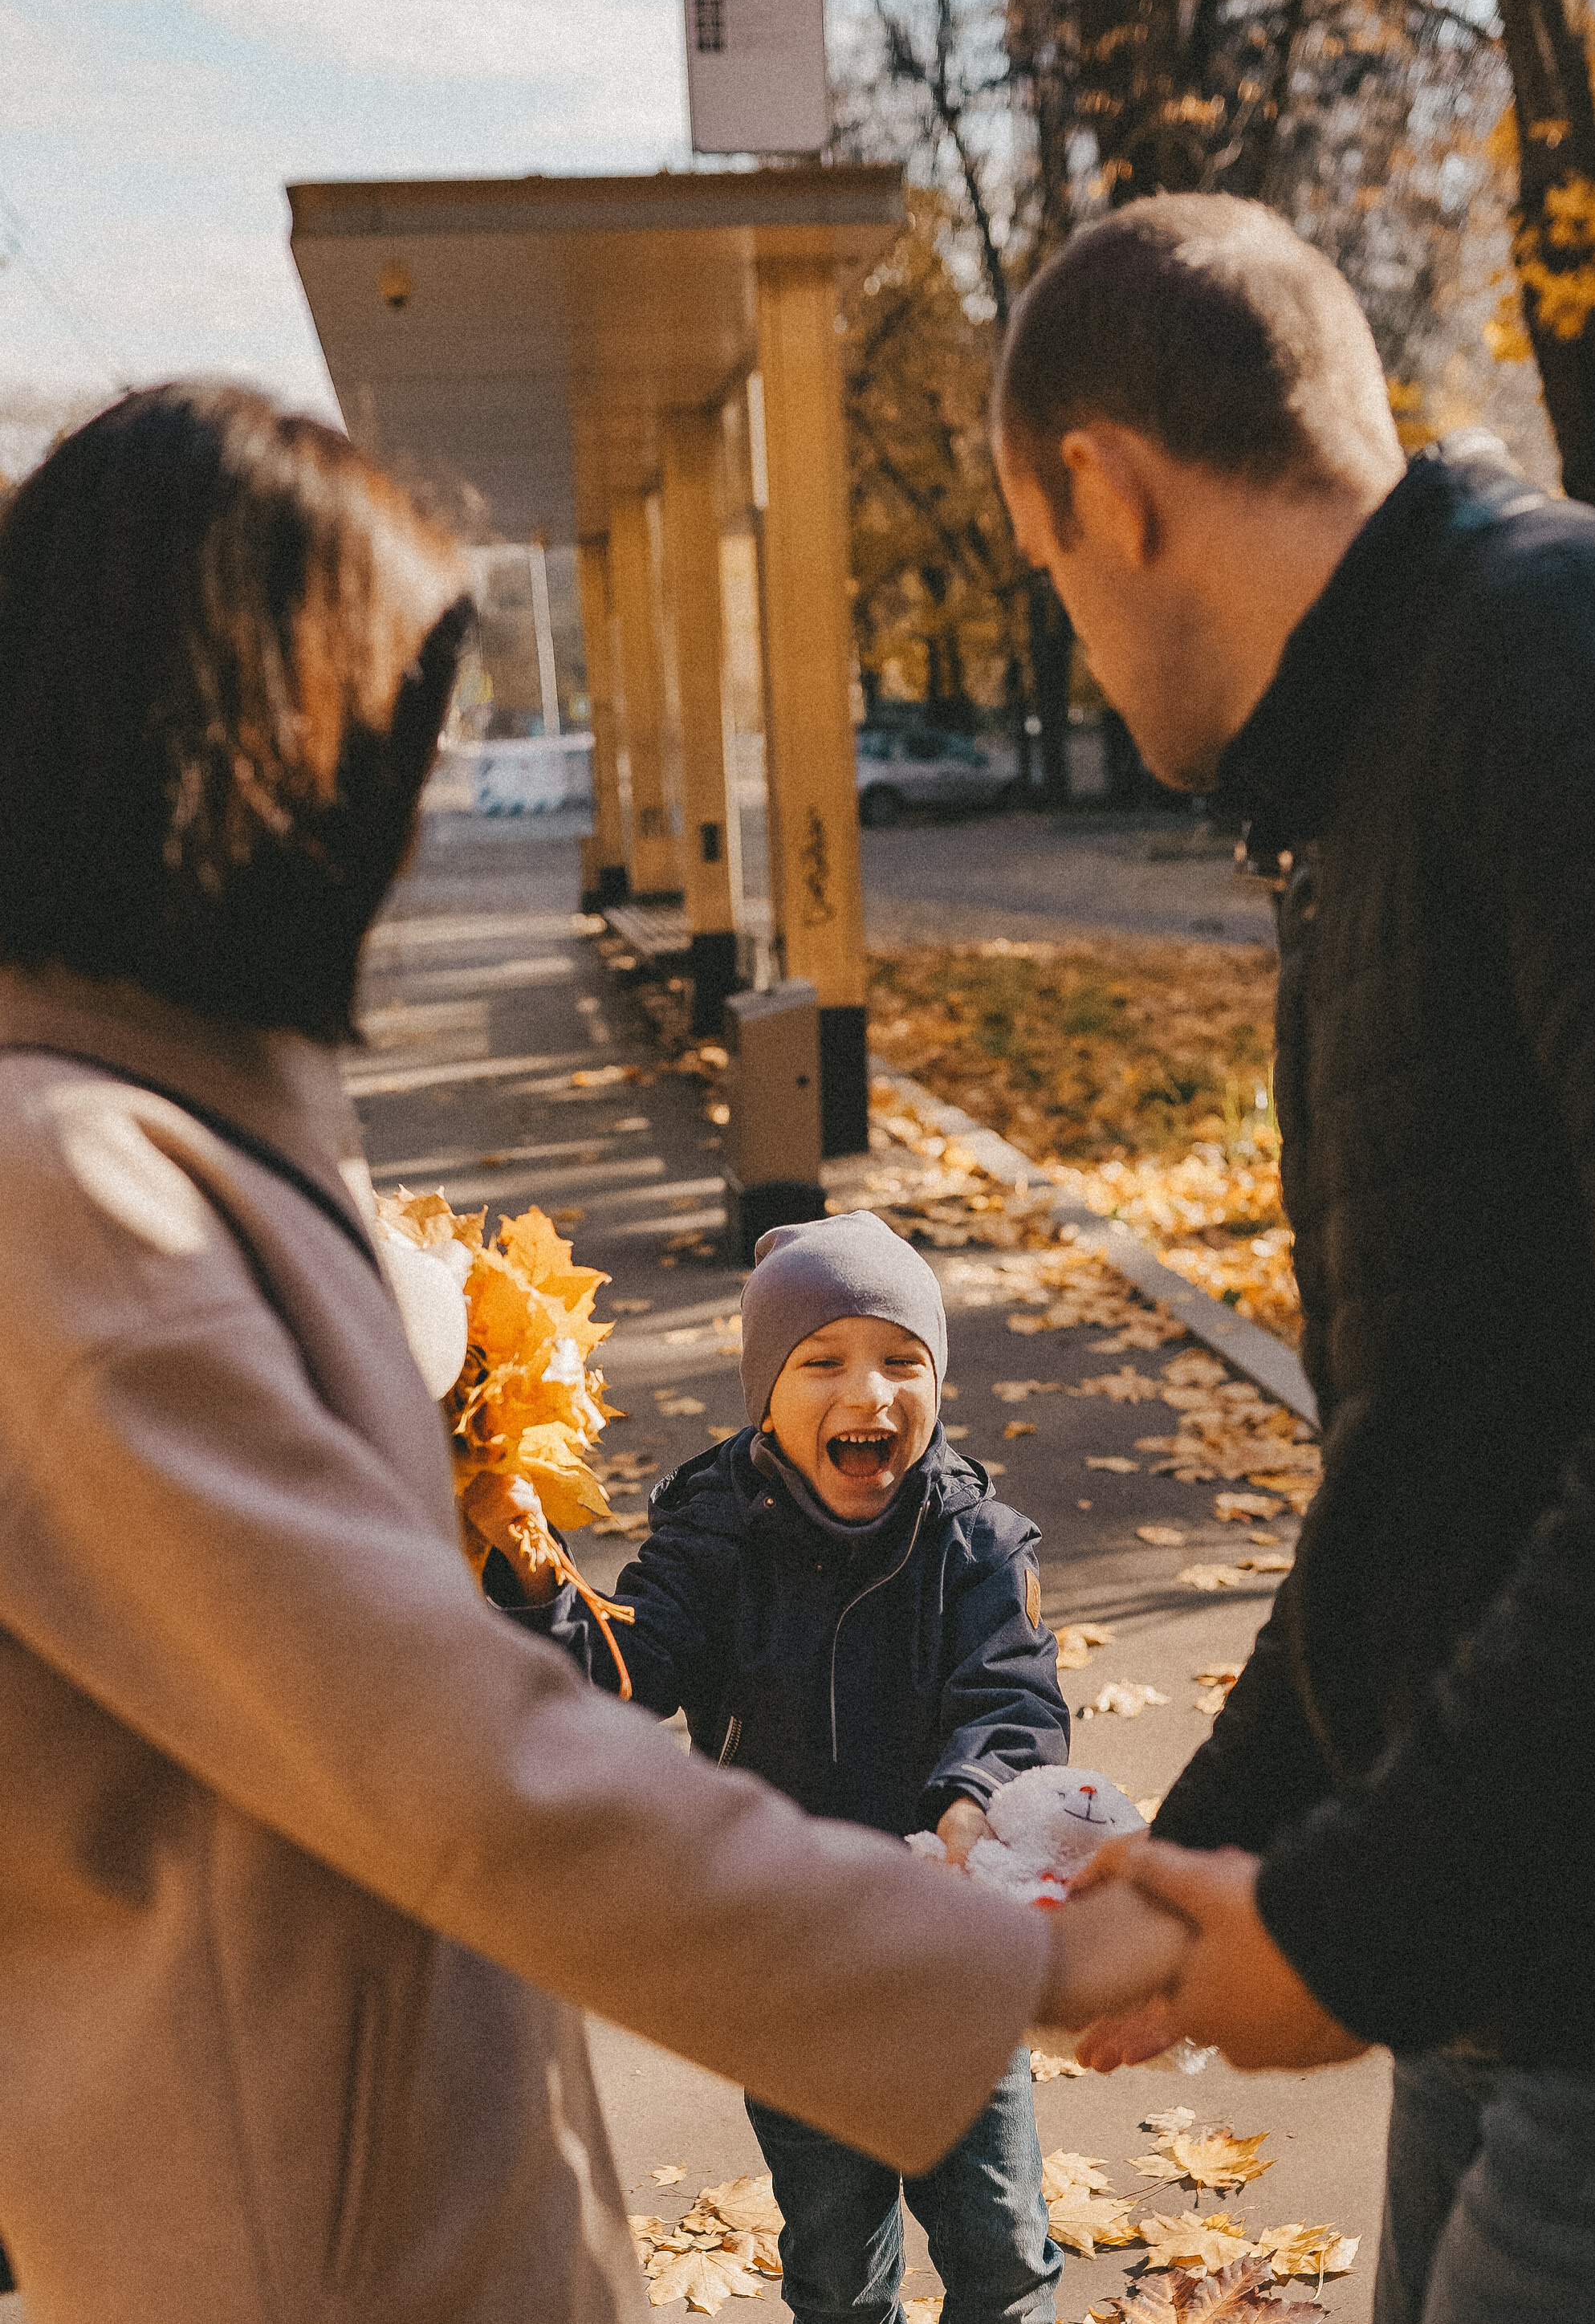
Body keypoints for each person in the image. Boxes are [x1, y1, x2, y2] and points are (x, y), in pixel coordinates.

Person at [0, 383, 1186, 2322]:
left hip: (393, 2173)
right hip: (306, 2235)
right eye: (395, 735)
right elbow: (463, 1759)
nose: (421, 806)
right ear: (233, 751)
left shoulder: (178, 1132)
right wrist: (1019, 1958)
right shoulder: (81, 1196)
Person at [991, 193, 1595, 2322]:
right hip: (1491, 1948)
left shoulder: (1541, 667)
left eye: (1049, 574)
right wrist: (1210, 1856)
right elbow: (1434, 1468)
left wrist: (1337, 1922)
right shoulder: (1360, 783)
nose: (1075, 636)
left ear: (1103, 489)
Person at [492, 1209, 1071, 2324]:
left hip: (948, 1946)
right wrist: (532, 1576)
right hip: (792, 1954)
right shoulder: (715, 1538)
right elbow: (623, 1668)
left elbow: (1014, 1695)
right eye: (823, 1363)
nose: (870, 1394)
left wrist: (972, 1799)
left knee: (1001, 2254)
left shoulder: (979, 1543)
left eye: (903, 1361)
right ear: (766, 1393)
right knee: (837, 2265)